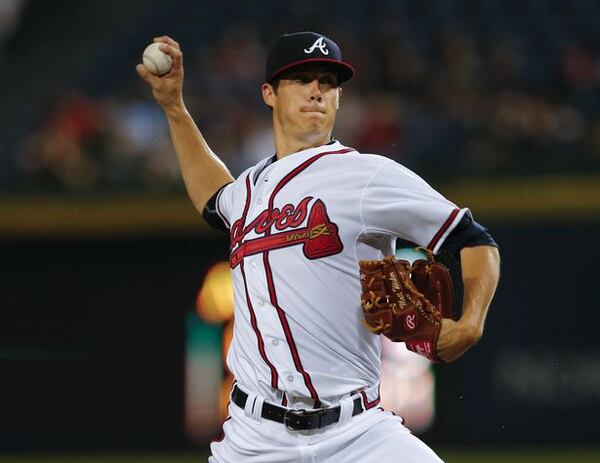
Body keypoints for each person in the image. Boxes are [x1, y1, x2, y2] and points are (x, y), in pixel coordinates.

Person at [137, 31, 500, 463]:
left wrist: (472, 320)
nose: (316, 90)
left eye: (328, 82)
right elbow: (214, 199)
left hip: (358, 433)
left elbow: (474, 240)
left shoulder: (367, 176)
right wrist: (174, 108)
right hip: (254, 439)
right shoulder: (247, 191)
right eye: (302, 78)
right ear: (269, 93)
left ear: (339, 98)